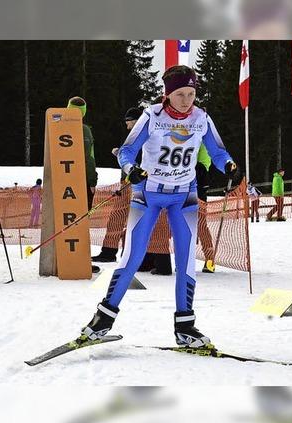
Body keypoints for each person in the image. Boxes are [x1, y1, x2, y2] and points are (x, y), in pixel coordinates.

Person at [79, 65, 239, 348]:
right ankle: (102, 320)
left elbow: (217, 151)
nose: (187, 100)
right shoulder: (151, 116)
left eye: (191, 94)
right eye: (180, 94)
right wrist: (131, 169)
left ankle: (185, 326)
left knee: (186, 260)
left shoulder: (201, 118)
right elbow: (127, 151)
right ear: (168, 94)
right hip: (148, 195)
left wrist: (227, 165)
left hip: (184, 196)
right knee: (132, 256)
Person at [92, 107, 142, 263]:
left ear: (135, 121)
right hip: (128, 182)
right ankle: (111, 251)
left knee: (122, 218)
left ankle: (113, 252)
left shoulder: (139, 135)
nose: (126, 125)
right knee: (119, 218)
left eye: (128, 121)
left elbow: (137, 157)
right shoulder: (135, 135)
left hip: (133, 183)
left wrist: (119, 153)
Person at [67, 96, 100, 273]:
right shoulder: (84, 130)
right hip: (81, 182)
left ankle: (67, 256)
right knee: (81, 220)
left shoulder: (59, 127)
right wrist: (92, 181)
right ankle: (81, 259)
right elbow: (89, 158)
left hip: (63, 183)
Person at [195, 143, 216, 273]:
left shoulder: (201, 137)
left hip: (198, 174)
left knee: (200, 224)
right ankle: (186, 261)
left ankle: (210, 260)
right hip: (197, 177)